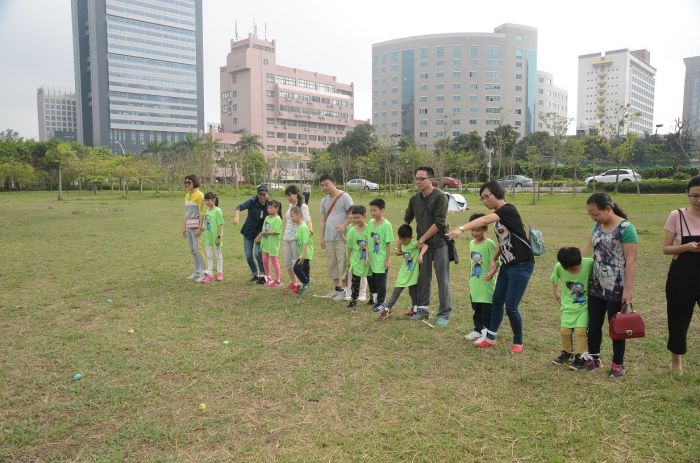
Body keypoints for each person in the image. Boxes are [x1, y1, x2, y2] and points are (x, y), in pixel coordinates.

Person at [447, 180, 534, 352]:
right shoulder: (499, 218)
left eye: (488, 196)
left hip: (522, 264)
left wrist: (461, 228)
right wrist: (494, 260)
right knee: (496, 301)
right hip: (508, 265)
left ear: (498, 193)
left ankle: (518, 341)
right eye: (482, 198)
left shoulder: (508, 210)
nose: (485, 200)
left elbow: (485, 219)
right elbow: (504, 243)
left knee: (511, 307)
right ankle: (491, 337)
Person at [574, 192, 638, 378]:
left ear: (608, 209)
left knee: (616, 326)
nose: (594, 218)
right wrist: (572, 256)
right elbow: (588, 248)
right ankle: (594, 358)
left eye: (596, 214)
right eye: (591, 215)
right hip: (596, 284)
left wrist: (627, 290)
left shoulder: (626, 229)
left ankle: (618, 363)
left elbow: (631, 260)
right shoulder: (597, 226)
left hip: (616, 287)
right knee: (593, 324)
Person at [403, 166, 452, 327]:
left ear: (431, 179)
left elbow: (439, 223)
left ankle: (444, 313)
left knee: (442, 278)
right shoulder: (414, 199)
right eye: (416, 178)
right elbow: (407, 220)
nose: (418, 181)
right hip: (422, 247)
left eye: (421, 178)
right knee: (422, 278)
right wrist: (402, 241)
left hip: (439, 244)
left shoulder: (441, 197)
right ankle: (422, 310)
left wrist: (422, 238)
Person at [662, 175, 700, 373]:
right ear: (687, 194)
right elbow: (666, 249)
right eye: (694, 195)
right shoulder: (677, 215)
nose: (698, 200)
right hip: (681, 277)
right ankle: (676, 361)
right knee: (678, 318)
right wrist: (685, 247)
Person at [551, 247, 593, 369]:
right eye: (571, 269)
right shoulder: (559, 267)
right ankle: (567, 353)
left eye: (576, 266)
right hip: (567, 306)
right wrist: (555, 293)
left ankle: (581, 356)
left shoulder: (589, 263)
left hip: (584, 307)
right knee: (564, 331)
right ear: (564, 266)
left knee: (580, 332)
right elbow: (554, 279)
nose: (575, 270)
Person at [375, 224, 428, 319]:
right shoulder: (402, 243)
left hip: (412, 273)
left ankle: (414, 309)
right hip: (404, 272)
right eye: (401, 239)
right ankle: (387, 308)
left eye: (404, 240)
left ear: (410, 237)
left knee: (413, 292)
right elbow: (401, 249)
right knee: (397, 291)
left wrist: (421, 255)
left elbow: (425, 246)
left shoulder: (414, 243)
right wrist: (398, 251)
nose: (402, 242)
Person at [463, 213, 498, 342]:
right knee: (476, 308)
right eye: (472, 230)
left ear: (485, 229)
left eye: (478, 230)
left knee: (486, 310)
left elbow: (496, 261)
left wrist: (492, 271)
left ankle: (487, 334)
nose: (475, 233)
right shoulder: (471, 243)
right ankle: (478, 330)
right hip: (475, 283)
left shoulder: (490, 244)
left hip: (486, 283)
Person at [319, 173, 353, 301]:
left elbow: (352, 215)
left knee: (342, 263)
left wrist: (343, 225)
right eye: (322, 185)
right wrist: (321, 237)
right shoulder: (324, 200)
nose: (325, 187)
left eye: (327, 184)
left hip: (342, 238)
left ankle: (344, 290)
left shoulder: (345, 197)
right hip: (329, 237)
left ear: (334, 183)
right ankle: (337, 288)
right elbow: (322, 220)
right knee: (332, 263)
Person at [233, 184, 269, 284]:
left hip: (259, 234)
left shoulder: (269, 205)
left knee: (257, 253)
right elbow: (239, 207)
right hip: (248, 231)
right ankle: (255, 274)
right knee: (249, 255)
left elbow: (274, 217)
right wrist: (237, 217)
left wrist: (264, 234)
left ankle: (263, 275)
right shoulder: (252, 201)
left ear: (267, 194)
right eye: (260, 194)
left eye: (264, 194)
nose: (262, 196)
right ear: (257, 195)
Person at [283, 185, 313, 292]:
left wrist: (310, 232)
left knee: (298, 262)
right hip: (287, 237)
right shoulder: (291, 205)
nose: (288, 198)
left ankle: (302, 283)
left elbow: (308, 220)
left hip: (296, 238)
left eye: (289, 195)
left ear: (296, 194)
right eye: (287, 196)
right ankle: (294, 282)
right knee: (287, 262)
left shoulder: (303, 206)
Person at [368, 198, 393, 311]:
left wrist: (387, 260)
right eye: (371, 210)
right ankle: (374, 298)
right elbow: (368, 239)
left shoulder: (387, 225)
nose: (372, 213)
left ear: (382, 210)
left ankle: (382, 302)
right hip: (372, 259)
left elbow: (389, 244)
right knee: (372, 279)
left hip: (381, 259)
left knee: (380, 281)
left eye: (375, 210)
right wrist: (367, 255)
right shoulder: (370, 223)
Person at [345, 205, 371, 309]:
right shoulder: (352, 231)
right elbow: (349, 247)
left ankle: (372, 297)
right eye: (354, 217)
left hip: (366, 260)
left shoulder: (369, 229)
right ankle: (353, 300)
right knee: (354, 281)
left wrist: (367, 257)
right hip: (355, 260)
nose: (356, 220)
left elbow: (370, 244)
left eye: (358, 217)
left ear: (364, 216)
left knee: (367, 278)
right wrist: (348, 260)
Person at [183, 175, 207, 283]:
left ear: (194, 182)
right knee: (192, 250)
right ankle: (197, 271)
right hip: (188, 225)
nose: (187, 184)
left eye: (189, 182)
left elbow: (202, 213)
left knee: (198, 250)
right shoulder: (187, 195)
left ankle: (204, 272)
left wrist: (200, 228)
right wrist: (184, 227)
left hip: (196, 226)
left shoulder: (200, 195)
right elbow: (186, 213)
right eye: (186, 183)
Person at [258, 200, 283, 287]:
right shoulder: (267, 218)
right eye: (268, 207)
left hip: (273, 243)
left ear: (277, 208)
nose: (268, 209)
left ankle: (278, 280)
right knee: (264, 260)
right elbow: (264, 229)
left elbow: (276, 232)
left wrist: (264, 233)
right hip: (265, 242)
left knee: (274, 261)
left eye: (271, 207)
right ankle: (268, 278)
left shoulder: (278, 219)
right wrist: (260, 236)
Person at [201, 192, 224, 284]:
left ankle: (219, 273)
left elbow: (220, 225)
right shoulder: (207, 210)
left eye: (208, 200)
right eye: (205, 200)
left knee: (218, 255)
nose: (206, 202)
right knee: (209, 256)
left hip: (216, 238)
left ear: (213, 200)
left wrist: (218, 237)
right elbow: (206, 223)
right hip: (208, 238)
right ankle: (210, 274)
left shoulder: (218, 210)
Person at [291, 206, 314, 295]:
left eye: (292, 216)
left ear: (299, 215)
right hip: (303, 252)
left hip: (306, 252)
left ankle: (305, 283)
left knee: (296, 267)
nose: (291, 218)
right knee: (305, 269)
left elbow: (305, 242)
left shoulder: (303, 227)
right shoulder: (298, 226)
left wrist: (303, 255)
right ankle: (307, 284)